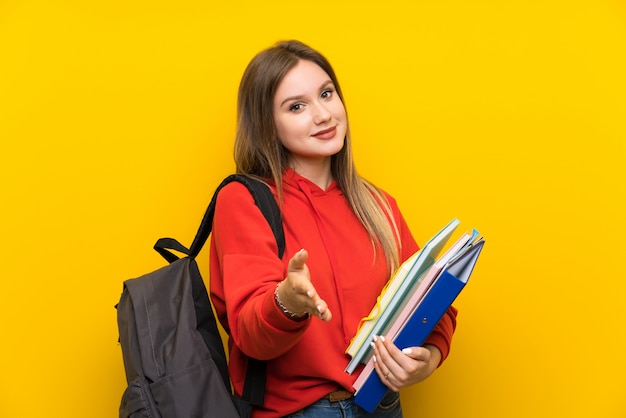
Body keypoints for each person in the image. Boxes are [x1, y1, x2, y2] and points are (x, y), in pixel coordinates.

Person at [209, 40, 457, 418]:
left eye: (327, 94)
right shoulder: (243, 200)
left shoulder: (378, 204)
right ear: (267, 124)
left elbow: (432, 302)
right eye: (297, 106)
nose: (323, 114)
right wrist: (287, 303)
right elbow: (249, 336)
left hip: (383, 406)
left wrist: (428, 359)